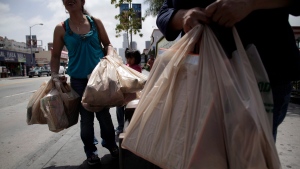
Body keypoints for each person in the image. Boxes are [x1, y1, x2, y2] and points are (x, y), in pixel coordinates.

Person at [156, 0, 300, 141]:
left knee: (252, 156)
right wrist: (183, 16)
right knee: (199, 153)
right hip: (200, 79)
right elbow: (164, 13)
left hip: (263, 73)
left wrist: (250, 3)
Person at [51, 0, 118, 166]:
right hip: (78, 82)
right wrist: (54, 76)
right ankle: (91, 151)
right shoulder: (61, 28)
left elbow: (108, 44)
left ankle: (110, 144)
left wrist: (109, 57)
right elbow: (55, 56)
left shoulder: (96, 22)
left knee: (105, 118)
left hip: (99, 79)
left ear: (82, 1)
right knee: (86, 121)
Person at [115, 48, 142, 135]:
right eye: (127, 58)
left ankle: (129, 127)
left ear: (136, 59)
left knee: (129, 111)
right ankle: (120, 126)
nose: (128, 60)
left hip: (131, 94)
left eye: (131, 58)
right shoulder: (126, 66)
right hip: (123, 93)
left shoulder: (137, 68)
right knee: (119, 110)